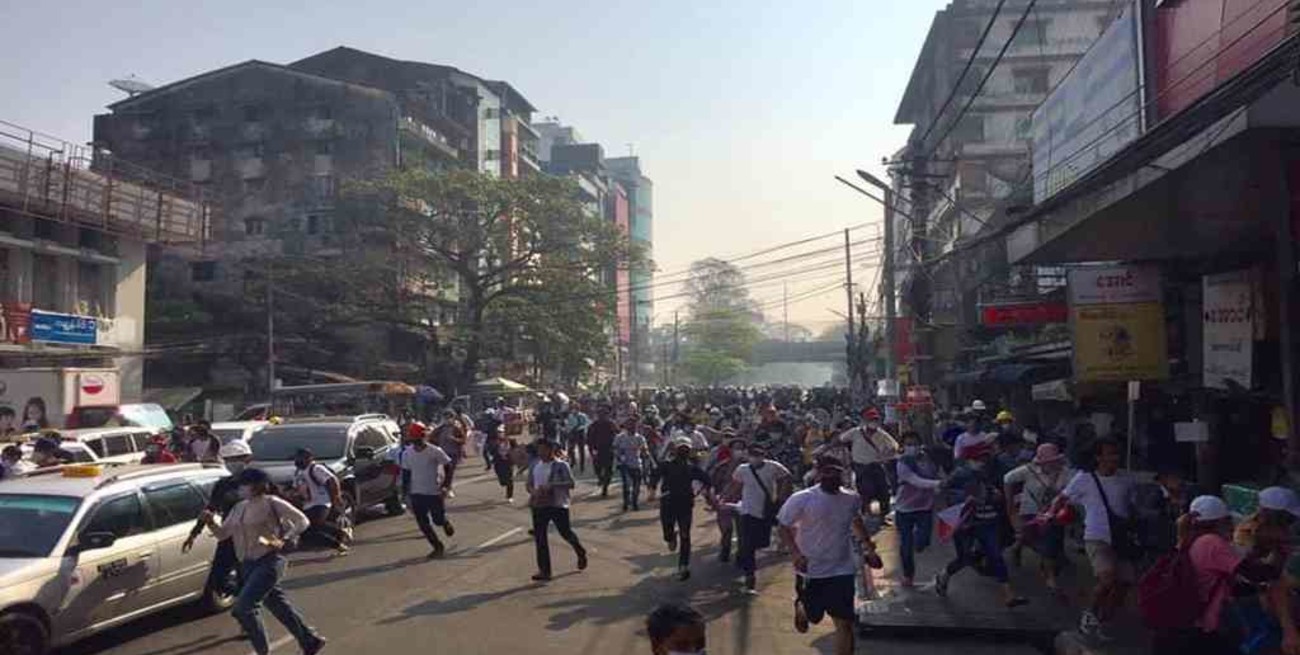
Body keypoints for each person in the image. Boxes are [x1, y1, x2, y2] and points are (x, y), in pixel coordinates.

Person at [198, 467, 325, 655]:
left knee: (243, 608)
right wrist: (210, 522)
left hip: (269, 561)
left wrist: (286, 538)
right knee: (279, 606)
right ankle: (310, 641)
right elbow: (223, 534)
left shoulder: (271, 502)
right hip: (246, 564)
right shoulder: (239, 507)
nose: (240, 489)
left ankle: (263, 651)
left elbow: (302, 520)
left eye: (244, 484)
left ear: (257, 485)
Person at [778, 457, 876, 655]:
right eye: (826, 472)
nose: (831, 476)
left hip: (842, 568)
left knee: (844, 623)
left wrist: (868, 548)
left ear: (842, 473)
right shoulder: (802, 498)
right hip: (811, 568)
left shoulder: (852, 499)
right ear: (818, 474)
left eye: (836, 472)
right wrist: (796, 554)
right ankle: (802, 606)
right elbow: (784, 526)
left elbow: (855, 520)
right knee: (814, 616)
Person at [1053, 438, 1137, 642]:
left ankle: (1104, 620)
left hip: (1121, 537)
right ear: (1098, 457)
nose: (1114, 458)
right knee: (1107, 578)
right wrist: (1051, 515)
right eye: (1110, 453)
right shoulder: (1084, 478)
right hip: (1096, 536)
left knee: (1125, 583)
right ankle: (1089, 614)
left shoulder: (1127, 480)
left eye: (1116, 453)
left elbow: (1131, 507)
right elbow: (1062, 498)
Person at [935, 439, 1029, 608]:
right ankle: (944, 575)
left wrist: (996, 495)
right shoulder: (960, 474)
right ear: (970, 459)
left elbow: (1000, 490)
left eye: (985, 458)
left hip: (988, 520)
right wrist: (964, 499)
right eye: (979, 458)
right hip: (966, 523)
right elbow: (943, 491)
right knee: (964, 558)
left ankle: (1009, 595)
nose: (983, 461)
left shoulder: (992, 471)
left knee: (996, 556)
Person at [184, 440, 254, 604]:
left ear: (247, 459)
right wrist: (194, 533)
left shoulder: (259, 483)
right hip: (229, 535)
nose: (232, 463)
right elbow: (210, 508)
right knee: (217, 580)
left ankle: (249, 602)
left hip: (254, 536)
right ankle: (247, 597)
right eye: (228, 460)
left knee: (252, 577)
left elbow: (277, 509)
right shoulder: (223, 485)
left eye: (236, 459)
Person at [1003, 443, 1072, 594]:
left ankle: (1050, 575)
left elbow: (1072, 490)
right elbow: (1007, 479)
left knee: (1050, 542)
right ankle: (1018, 548)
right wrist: (1010, 505)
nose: (1052, 464)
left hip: (1054, 513)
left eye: (1054, 460)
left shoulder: (1066, 473)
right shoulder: (1028, 471)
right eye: (1048, 461)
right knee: (1032, 537)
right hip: (1030, 511)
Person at [728, 441, 792, 592]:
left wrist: (781, 496)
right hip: (747, 511)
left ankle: (745, 562)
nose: (756, 458)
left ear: (764, 455)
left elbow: (787, 477)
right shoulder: (742, 469)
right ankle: (750, 576)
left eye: (759, 455)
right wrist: (727, 500)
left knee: (761, 543)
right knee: (748, 545)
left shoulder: (773, 466)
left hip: (765, 511)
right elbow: (735, 486)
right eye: (753, 455)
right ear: (748, 456)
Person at [527, 438, 588, 581]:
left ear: (551, 450)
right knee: (540, 537)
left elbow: (571, 483)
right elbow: (529, 484)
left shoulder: (561, 465)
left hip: (557, 504)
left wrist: (552, 486)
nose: (541, 452)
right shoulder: (535, 465)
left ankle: (580, 550)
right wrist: (533, 492)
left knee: (565, 532)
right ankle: (545, 571)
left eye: (544, 449)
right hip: (539, 505)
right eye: (539, 450)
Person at [659, 437, 714, 580]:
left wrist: (702, 492)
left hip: (685, 504)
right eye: (681, 449)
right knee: (667, 531)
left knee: (685, 535)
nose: (683, 451)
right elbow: (654, 476)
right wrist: (652, 490)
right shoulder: (666, 465)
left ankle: (683, 566)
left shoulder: (692, 468)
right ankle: (671, 537)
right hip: (668, 503)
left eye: (686, 449)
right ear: (675, 450)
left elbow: (708, 480)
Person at [894, 431, 942, 587]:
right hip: (904, 509)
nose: (912, 447)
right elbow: (916, 481)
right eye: (908, 444)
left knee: (922, 542)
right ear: (903, 446)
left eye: (914, 443)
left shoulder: (928, 459)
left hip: (924, 507)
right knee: (906, 546)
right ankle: (908, 575)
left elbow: (935, 475)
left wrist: (939, 485)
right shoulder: (902, 463)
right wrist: (938, 484)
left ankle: (916, 541)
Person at [401, 426, 455, 559]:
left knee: (437, 520)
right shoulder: (407, 454)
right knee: (423, 524)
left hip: (434, 492)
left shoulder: (435, 451)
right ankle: (437, 547)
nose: (417, 441)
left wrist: (446, 485)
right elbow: (406, 474)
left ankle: (444, 522)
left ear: (424, 437)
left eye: (419, 438)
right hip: (416, 493)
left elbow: (448, 466)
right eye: (414, 439)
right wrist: (405, 494)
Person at [839, 408, 899, 519]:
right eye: (871, 419)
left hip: (876, 465)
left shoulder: (882, 434)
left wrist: (885, 455)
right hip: (860, 467)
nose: (873, 422)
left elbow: (894, 446)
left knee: (884, 491)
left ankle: (884, 515)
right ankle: (866, 514)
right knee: (865, 491)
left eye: (875, 419)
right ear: (865, 421)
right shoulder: (855, 432)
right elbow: (842, 439)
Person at [292, 448, 350, 555]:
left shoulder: (316, 468)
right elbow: (297, 488)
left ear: (310, 458)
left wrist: (336, 497)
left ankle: (338, 542)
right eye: (297, 458)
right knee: (311, 529)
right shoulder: (298, 472)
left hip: (321, 502)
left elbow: (332, 480)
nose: (299, 461)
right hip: (307, 504)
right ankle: (339, 534)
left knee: (313, 526)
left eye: (302, 458)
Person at [613, 417, 648, 511]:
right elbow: (615, 448)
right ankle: (626, 502)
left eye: (633, 425)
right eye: (629, 425)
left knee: (637, 485)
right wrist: (619, 456)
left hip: (636, 464)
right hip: (624, 464)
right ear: (626, 426)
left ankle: (634, 502)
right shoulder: (620, 437)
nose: (631, 427)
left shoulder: (640, 438)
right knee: (627, 485)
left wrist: (645, 453)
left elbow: (645, 449)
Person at [433, 409, 466, 498]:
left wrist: (454, 439)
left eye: (449, 417)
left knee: (450, 472)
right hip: (442, 453)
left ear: (453, 418)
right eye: (445, 417)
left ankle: (447, 489)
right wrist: (436, 441)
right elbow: (431, 437)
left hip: (453, 453)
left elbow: (463, 440)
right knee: (441, 473)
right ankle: (444, 487)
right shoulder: (440, 428)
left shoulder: (457, 428)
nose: (447, 419)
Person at [587, 406, 618, 498]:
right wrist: (591, 450)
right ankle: (601, 479)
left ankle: (605, 487)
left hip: (609, 449)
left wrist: (616, 447)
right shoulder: (593, 425)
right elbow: (589, 438)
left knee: (608, 469)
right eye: (600, 414)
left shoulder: (611, 424)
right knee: (597, 468)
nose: (602, 416)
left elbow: (617, 435)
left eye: (604, 414)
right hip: (598, 449)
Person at [487, 425, 517, 504]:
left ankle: (510, 496)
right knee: (502, 481)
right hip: (499, 462)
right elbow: (491, 452)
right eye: (498, 432)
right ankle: (504, 482)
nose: (500, 434)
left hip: (508, 462)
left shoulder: (511, 440)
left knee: (510, 480)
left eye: (501, 432)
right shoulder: (494, 442)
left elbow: (516, 450)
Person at [566, 406, 591, 473]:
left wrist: (580, 427)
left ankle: (582, 465)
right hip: (572, 433)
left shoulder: (583, 416)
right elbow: (568, 424)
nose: (574, 410)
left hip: (580, 433)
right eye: (573, 409)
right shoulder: (570, 416)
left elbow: (587, 423)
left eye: (575, 409)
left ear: (578, 409)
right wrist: (569, 431)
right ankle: (573, 460)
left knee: (581, 450)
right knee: (570, 449)